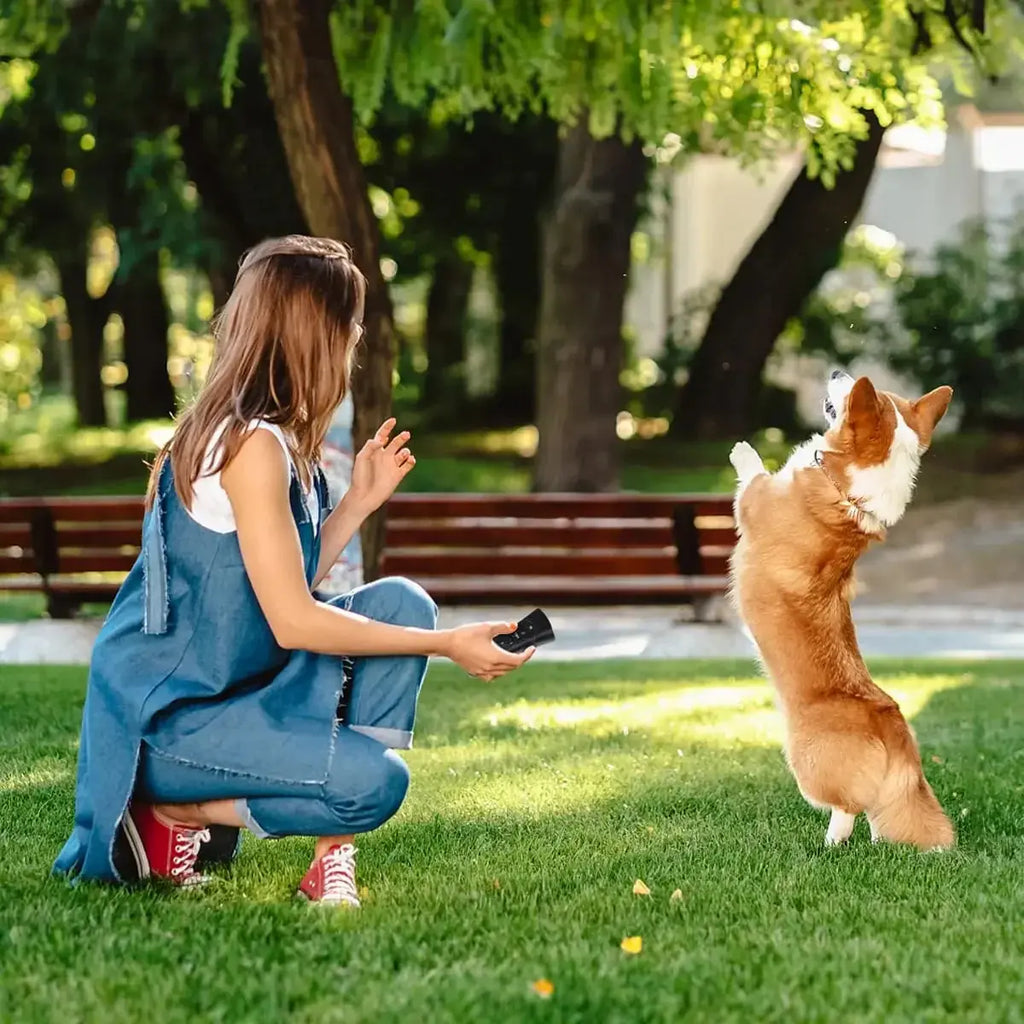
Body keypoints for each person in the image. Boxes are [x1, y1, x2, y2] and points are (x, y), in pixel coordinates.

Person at [53, 235, 534, 907]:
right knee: (375, 784)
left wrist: (358, 501)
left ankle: (331, 858)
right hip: (168, 725)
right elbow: (292, 620)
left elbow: (280, 585)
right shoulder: (249, 445)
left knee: (400, 601)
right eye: (350, 326)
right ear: (316, 333)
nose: (356, 341)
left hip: (233, 692)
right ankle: (175, 809)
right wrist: (449, 645)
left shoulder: (263, 436)